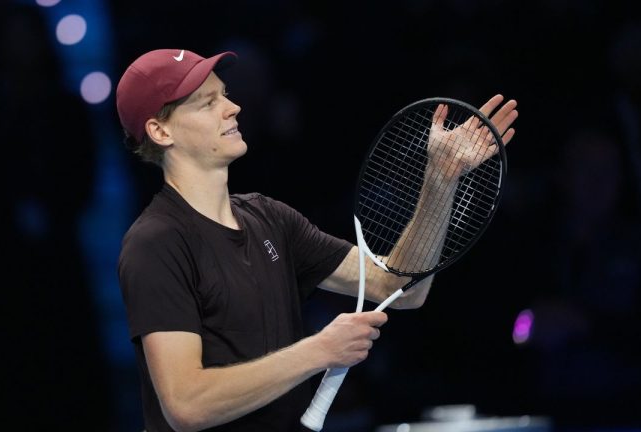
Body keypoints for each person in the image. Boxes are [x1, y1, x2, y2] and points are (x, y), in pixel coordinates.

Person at [115, 48, 518, 432]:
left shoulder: (269, 218)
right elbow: (186, 405)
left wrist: (441, 179)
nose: (232, 107)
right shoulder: (156, 243)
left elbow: (399, 286)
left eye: (225, 94)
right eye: (207, 103)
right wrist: (320, 350)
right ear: (160, 130)